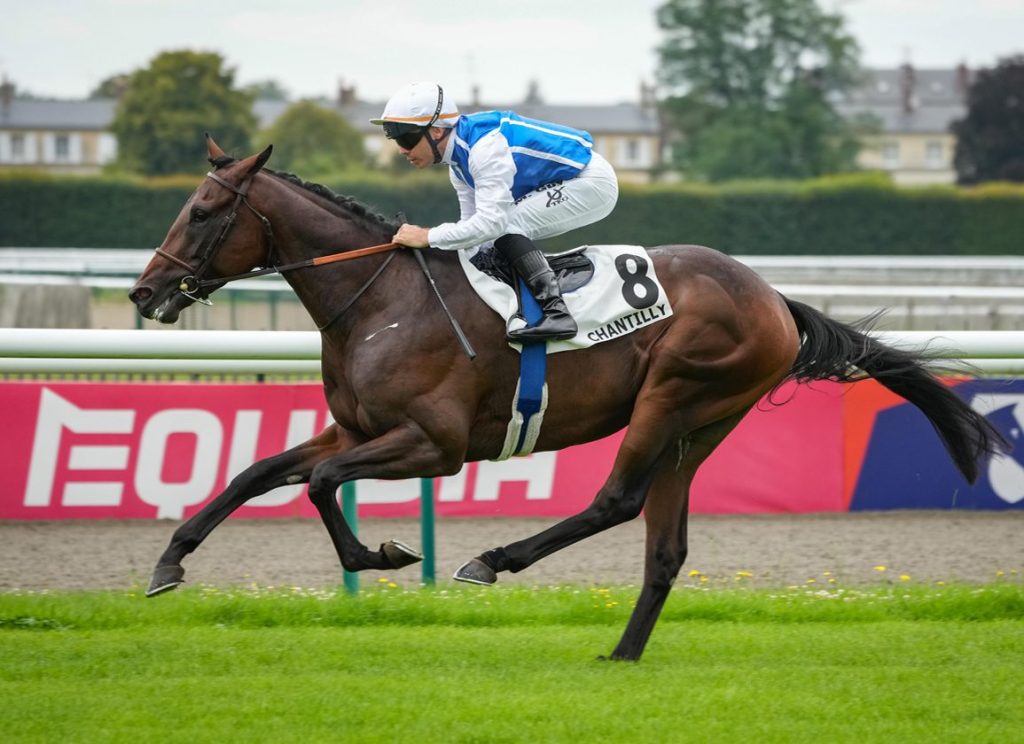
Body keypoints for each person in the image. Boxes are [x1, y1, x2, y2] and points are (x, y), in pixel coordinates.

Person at [370, 81, 619, 343]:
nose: (401, 149)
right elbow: (473, 230)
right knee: (485, 242)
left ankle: (556, 313)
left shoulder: (484, 150)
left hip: (590, 181)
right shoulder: (457, 165)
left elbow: (492, 224)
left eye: (406, 137)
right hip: (570, 179)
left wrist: (428, 236)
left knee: (506, 226)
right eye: (394, 138)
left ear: (435, 132)